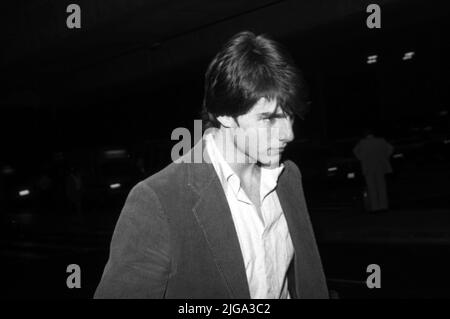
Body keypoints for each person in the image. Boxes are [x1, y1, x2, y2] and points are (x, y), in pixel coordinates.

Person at [94, 31, 328, 299]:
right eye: (268, 119)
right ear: (225, 115)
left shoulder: (288, 177)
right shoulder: (159, 199)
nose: (288, 133)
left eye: (290, 117)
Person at [353, 128, 394, 213]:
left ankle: (375, 207)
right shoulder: (381, 141)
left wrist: (362, 158)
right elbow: (391, 148)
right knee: (381, 186)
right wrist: (385, 156)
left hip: (368, 167)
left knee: (372, 187)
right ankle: (384, 206)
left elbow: (355, 151)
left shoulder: (362, 142)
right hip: (380, 166)